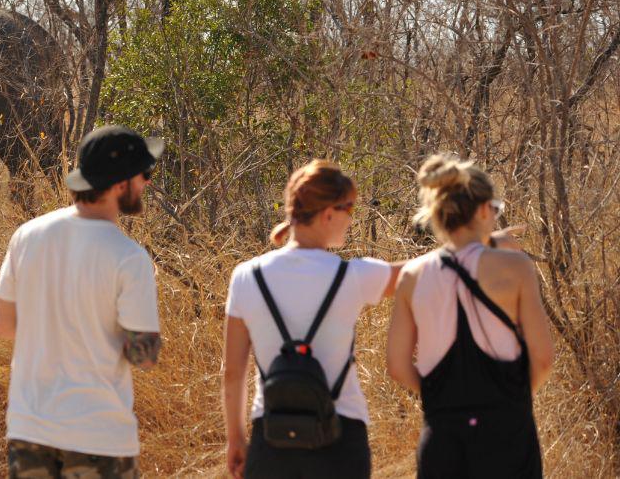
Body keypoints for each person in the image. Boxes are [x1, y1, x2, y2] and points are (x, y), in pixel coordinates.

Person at [0, 124, 163, 479]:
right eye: (144, 174)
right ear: (120, 185)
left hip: (29, 429)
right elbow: (143, 356)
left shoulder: (27, 236)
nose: (147, 182)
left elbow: (4, 325)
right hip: (98, 435)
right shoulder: (129, 257)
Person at [221, 160, 401, 479]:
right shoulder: (353, 276)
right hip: (341, 438)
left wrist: (235, 439)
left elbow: (233, 372)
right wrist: (478, 243)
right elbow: (420, 274)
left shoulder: (246, 277)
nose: (351, 218)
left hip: (272, 437)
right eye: (350, 209)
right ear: (328, 213)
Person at [386, 154, 554, 479]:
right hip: (507, 433)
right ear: (481, 209)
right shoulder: (515, 267)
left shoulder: (412, 276)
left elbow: (396, 365)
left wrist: (441, 400)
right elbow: (544, 357)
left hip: (442, 437)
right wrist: (511, 400)